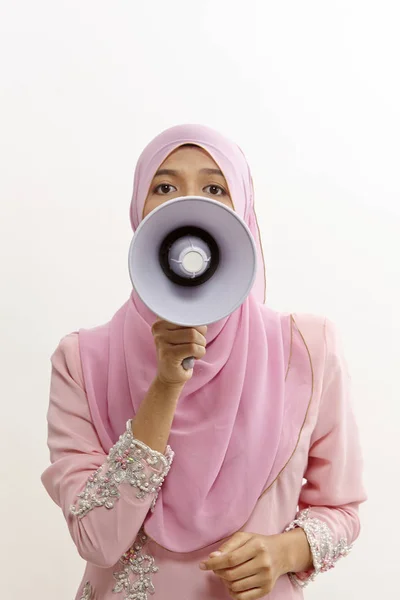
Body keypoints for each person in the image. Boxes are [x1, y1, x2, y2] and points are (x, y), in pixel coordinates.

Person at [41, 125, 367, 600]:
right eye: (165, 187)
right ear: (139, 210)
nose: (188, 205)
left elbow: (341, 510)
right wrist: (164, 386)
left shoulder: (306, 347)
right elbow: (99, 539)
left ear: (243, 213)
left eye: (215, 188)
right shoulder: (82, 360)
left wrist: (285, 551)